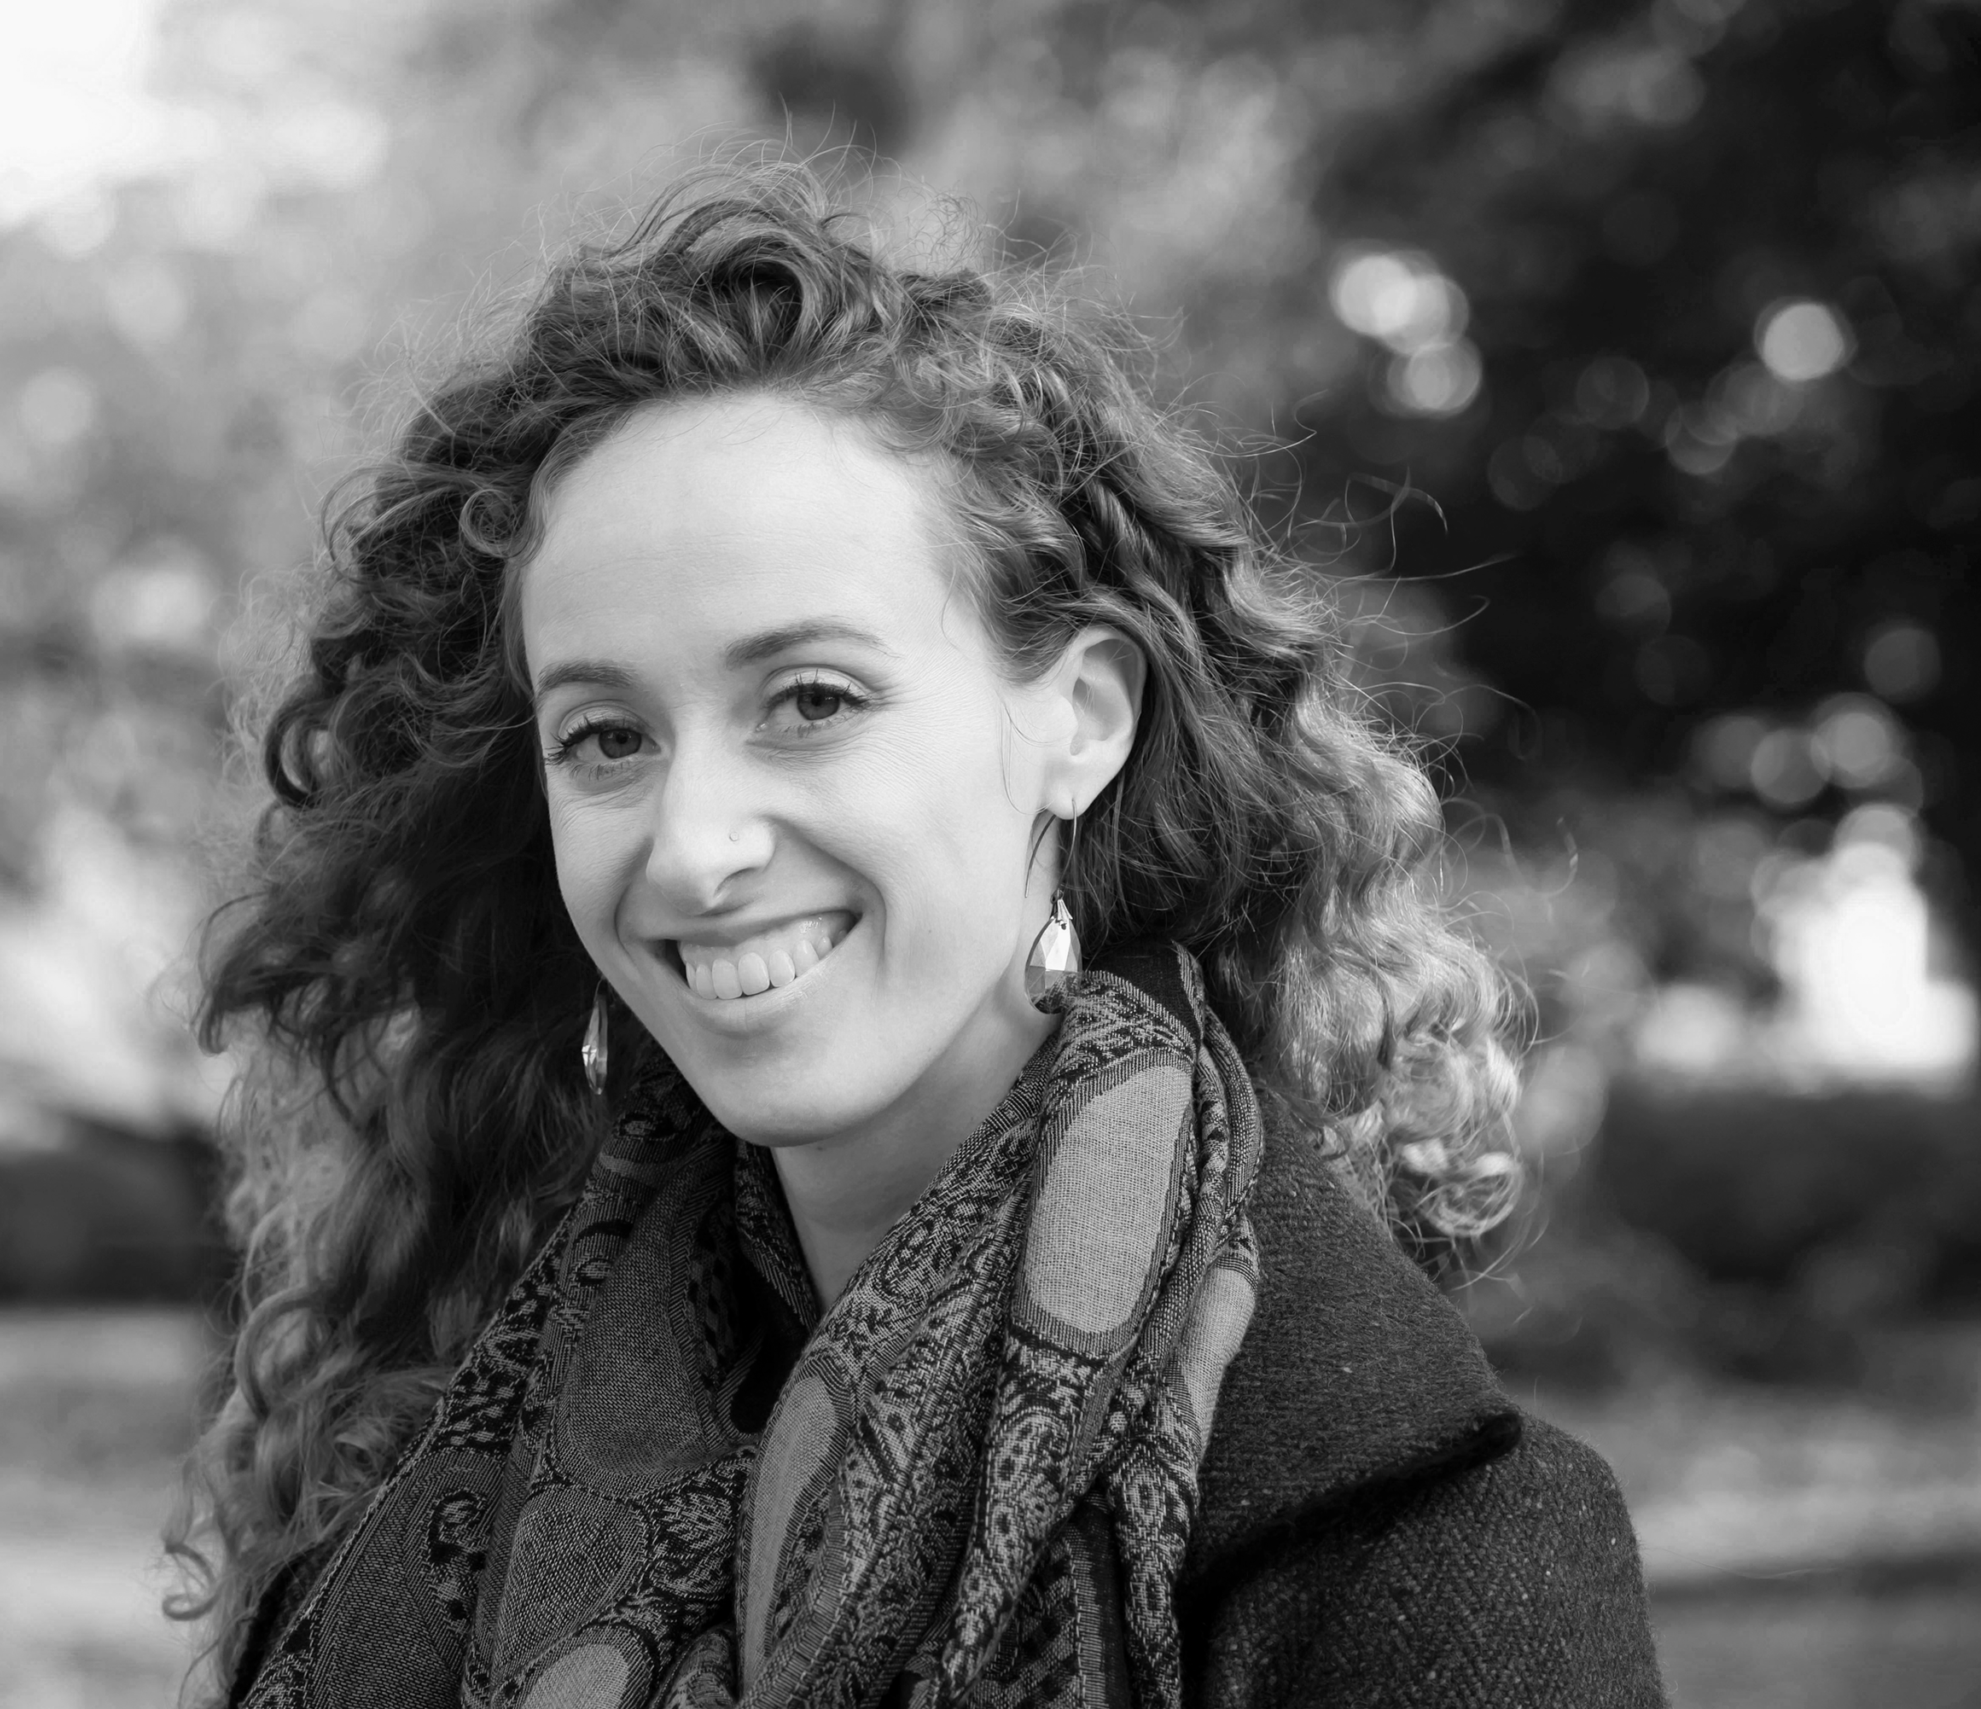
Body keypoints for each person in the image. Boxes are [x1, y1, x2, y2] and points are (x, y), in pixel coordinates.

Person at [173, 166, 1663, 1708]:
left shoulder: (1437, 1562)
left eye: (811, 701)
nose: (692, 846)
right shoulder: (420, 1521)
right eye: (606, 737)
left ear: (1081, 718)